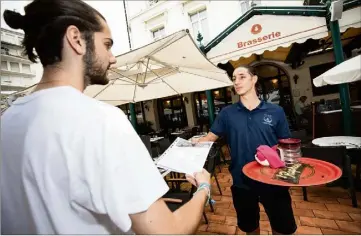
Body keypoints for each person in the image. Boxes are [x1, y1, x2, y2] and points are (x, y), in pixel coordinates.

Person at [1, 0, 211, 234]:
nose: (113, 58)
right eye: (107, 44)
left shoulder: (6, 122)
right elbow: (167, 231)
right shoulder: (102, 120)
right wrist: (203, 187)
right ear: (76, 39)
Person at [193, 66, 297, 235]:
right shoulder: (227, 113)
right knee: (249, 228)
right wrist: (191, 144)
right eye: (234, 78)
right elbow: (210, 137)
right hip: (242, 181)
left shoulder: (276, 111)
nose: (236, 82)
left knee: (282, 228)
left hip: (273, 179)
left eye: (242, 77)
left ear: (254, 79)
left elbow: (285, 144)